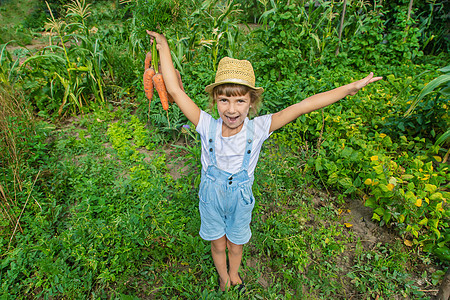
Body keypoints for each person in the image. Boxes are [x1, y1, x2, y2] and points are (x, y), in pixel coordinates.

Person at [146, 30, 382, 292]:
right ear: (215, 100)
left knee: (236, 244)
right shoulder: (205, 125)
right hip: (211, 196)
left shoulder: (259, 128)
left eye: (240, 101)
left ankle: (234, 273)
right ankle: (223, 277)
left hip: (240, 197)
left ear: (251, 103)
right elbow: (176, 91)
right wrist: (164, 46)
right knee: (218, 243)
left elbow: (303, 105)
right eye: (224, 100)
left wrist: (348, 89)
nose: (231, 109)